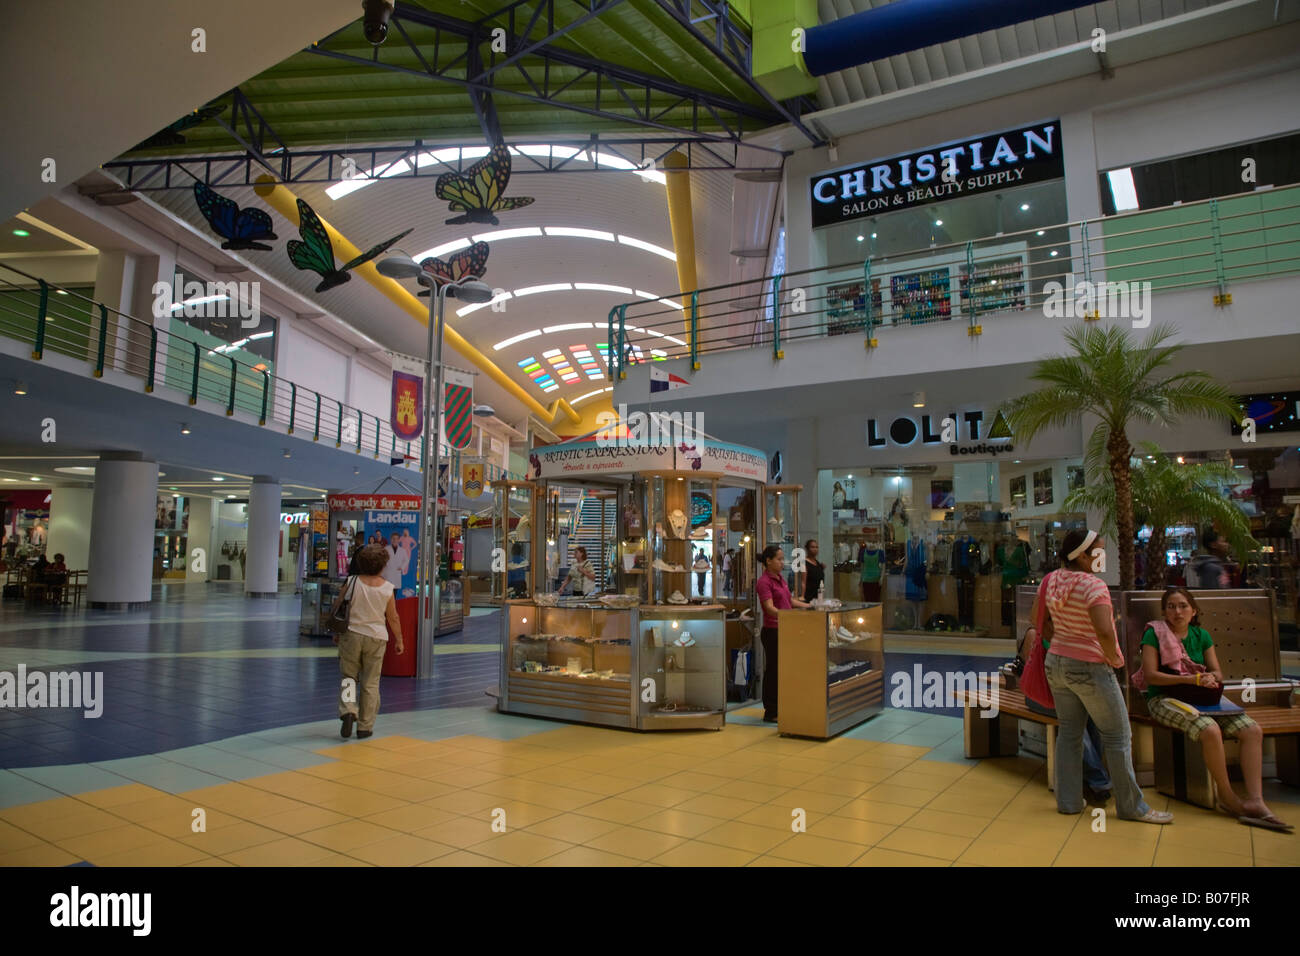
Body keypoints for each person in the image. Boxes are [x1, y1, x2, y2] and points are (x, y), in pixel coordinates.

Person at [1033, 528, 1172, 824]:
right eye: (1098, 549)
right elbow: (1105, 630)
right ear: (1082, 555)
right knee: (1118, 735)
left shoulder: (1051, 580)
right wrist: (1115, 658)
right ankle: (1132, 807)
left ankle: (1069, 802)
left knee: (1070, 734)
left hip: (1057, 662)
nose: (1102, 555)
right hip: (1090, 666)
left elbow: (1040, 620)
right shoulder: (1093, 586)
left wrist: (1061, 641)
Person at [1139, 588, 1291, 830]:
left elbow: (1218, 672)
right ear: (1164, 611)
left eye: (1183, 606)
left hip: (1204, 699)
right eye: (1171, 606)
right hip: (1166, 699)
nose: (1177, 612)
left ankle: (1255, 800)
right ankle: (1227, 796)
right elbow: (1151, 676)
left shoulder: (1202, 635)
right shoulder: (1154, 635)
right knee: (1209, 729)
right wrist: (1190, 680)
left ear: (1194, 610)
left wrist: (1209, 678)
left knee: (1251, 730)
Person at [1019, 624, 1113, 806]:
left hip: (1069, 694)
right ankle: (1099, 781)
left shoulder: (1071, 632)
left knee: (1094, 718)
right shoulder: (1035, 632)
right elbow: (1033, 666)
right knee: (1076, 724)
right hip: (1042, 695)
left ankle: (1088, 779)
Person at [333, 544, 403, 739]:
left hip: (351, 634)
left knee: (349, 677)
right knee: (371, 682)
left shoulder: (352, 581)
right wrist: (399, 639)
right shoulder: (388, 588)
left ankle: (348, 710)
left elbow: (338, 605)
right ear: (383, 565)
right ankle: (365, 725)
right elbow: (393, 617)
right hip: (376, 637)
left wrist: (336, 632)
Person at [756, 544, 812, 723]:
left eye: (782, 559)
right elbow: (770, 608)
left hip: (786, 629)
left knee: (785, 669)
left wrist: (812, 606)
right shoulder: (763, 582)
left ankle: (784, 705)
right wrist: (787, 615)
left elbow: (790, 601)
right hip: (772, 631)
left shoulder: (781, 579)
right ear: (768, 561)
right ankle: (771, 710)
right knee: (774, 670)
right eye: (779, 559)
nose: (782, 562)